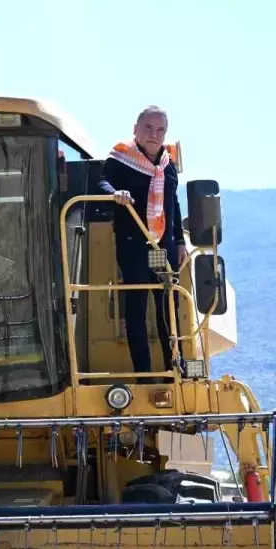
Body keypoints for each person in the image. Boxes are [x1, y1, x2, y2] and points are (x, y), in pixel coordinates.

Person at [97, 106, 186, 378]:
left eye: (160, 130)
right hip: (133, 244)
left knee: (167, 306)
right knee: (136, 307)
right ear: (135, 130)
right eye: (148, 128)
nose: (154, 134)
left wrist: (180, 240)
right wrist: (116, 194)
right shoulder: (120, 158)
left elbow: (173, 203)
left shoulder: (168, 165)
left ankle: (175, 367)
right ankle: (143, 374)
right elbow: (101, 182)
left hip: (163, 247)